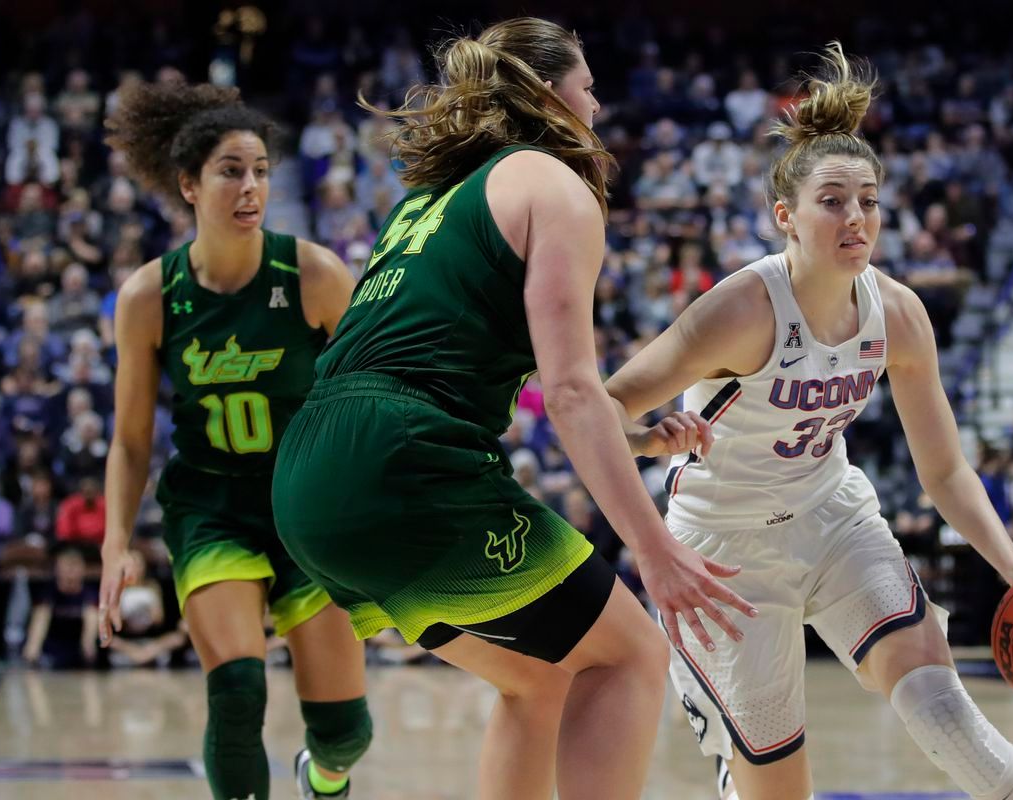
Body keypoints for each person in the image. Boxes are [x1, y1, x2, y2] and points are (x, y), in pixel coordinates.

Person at [271, 18, 754, 800]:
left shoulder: (427, 200)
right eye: (588, 87)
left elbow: (488, 374)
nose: (596, 108)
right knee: (631, 653)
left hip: (310, 471)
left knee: (537, 679)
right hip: (401, 460)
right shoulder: (553, 184)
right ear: (546, 91)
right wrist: (654, 550)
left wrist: (630, 435)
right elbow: (565, 391)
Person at [604, 43, 1013, 800]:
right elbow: (602, 408)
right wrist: (646, 439)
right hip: (725, 548)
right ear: (785, 218)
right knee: (778, 789)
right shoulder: (738, 311)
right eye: (833, 201)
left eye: (868, 201)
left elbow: (946, 470)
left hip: (833, 515)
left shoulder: (898, 313)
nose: (855, 217)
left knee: (945, 709)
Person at [97, 79, 372, 800]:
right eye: (230, 170)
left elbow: (374, 396)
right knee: (239, 688)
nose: (250, 187)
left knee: (346, 732)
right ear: (188, 185)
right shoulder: (148, 298)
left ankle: (324, 777)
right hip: (210, 506)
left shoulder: (313, 273)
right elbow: (129, 441)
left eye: (258, 171)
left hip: (306, 508)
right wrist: (116, 543)